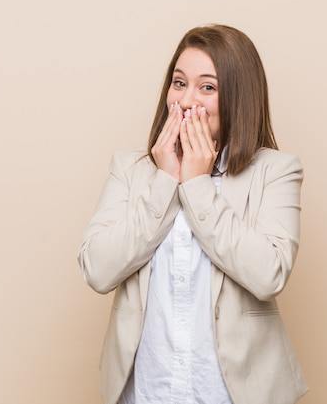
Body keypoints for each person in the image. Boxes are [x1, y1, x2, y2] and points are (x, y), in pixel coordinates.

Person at [78, 24, 308, 404]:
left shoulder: (277, 170)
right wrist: (166, 178)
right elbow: (97, 270)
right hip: (148, 391)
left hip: (234, 394)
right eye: (179, 83)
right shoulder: (131, 168)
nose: (185, 101)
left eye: (208, 87)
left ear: (239, 97)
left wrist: (198, 185)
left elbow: (269, 274)